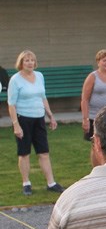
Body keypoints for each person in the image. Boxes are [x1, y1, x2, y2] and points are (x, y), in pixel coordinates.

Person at [7, 50, 63, 196]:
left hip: (39, 118)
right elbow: (11, 104)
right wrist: (16, 124)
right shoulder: (15, 80)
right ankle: (26, 183)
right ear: (21, 63)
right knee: (24, 153)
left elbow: (43, 97)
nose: (30, 63)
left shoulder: (39, 76)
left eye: (32, 60)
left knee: (44, 153)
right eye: (26, 60)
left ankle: (51, 183)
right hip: (23, 119)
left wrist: (50, 115)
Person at [80, 49, 106, 166]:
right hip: (96, 117)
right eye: (104, 60)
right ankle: (97, 169)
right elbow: (85, 99)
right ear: (98, 62)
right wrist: (85, 119)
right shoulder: (93, 77)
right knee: (96, 145)